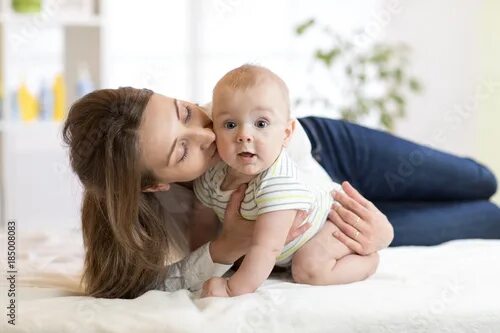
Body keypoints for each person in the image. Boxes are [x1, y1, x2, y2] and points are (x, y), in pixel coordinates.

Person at [62, 83, 499, 299]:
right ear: (156, 184)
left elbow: (281, 129)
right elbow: (144, 285)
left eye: (187, 112)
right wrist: (224, 248)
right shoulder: (161, 217)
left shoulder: (221, 104)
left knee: (481, 180)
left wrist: (381, 230)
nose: (211, 134)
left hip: (329, 152)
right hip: (327, 229)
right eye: (183, 150)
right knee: (489, 219)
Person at [194, 65, 379, 297]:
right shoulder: (213, 175)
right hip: (289, 244)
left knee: (308, 268)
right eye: (230, 125)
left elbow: (267, 247)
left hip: (330, 225)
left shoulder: (277, 181)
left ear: (287, 133)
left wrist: (233, 288)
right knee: (242, 259)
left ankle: (368, 261)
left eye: (261, 124)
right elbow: (201, 223)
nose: (244, 135)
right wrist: (203, 265)